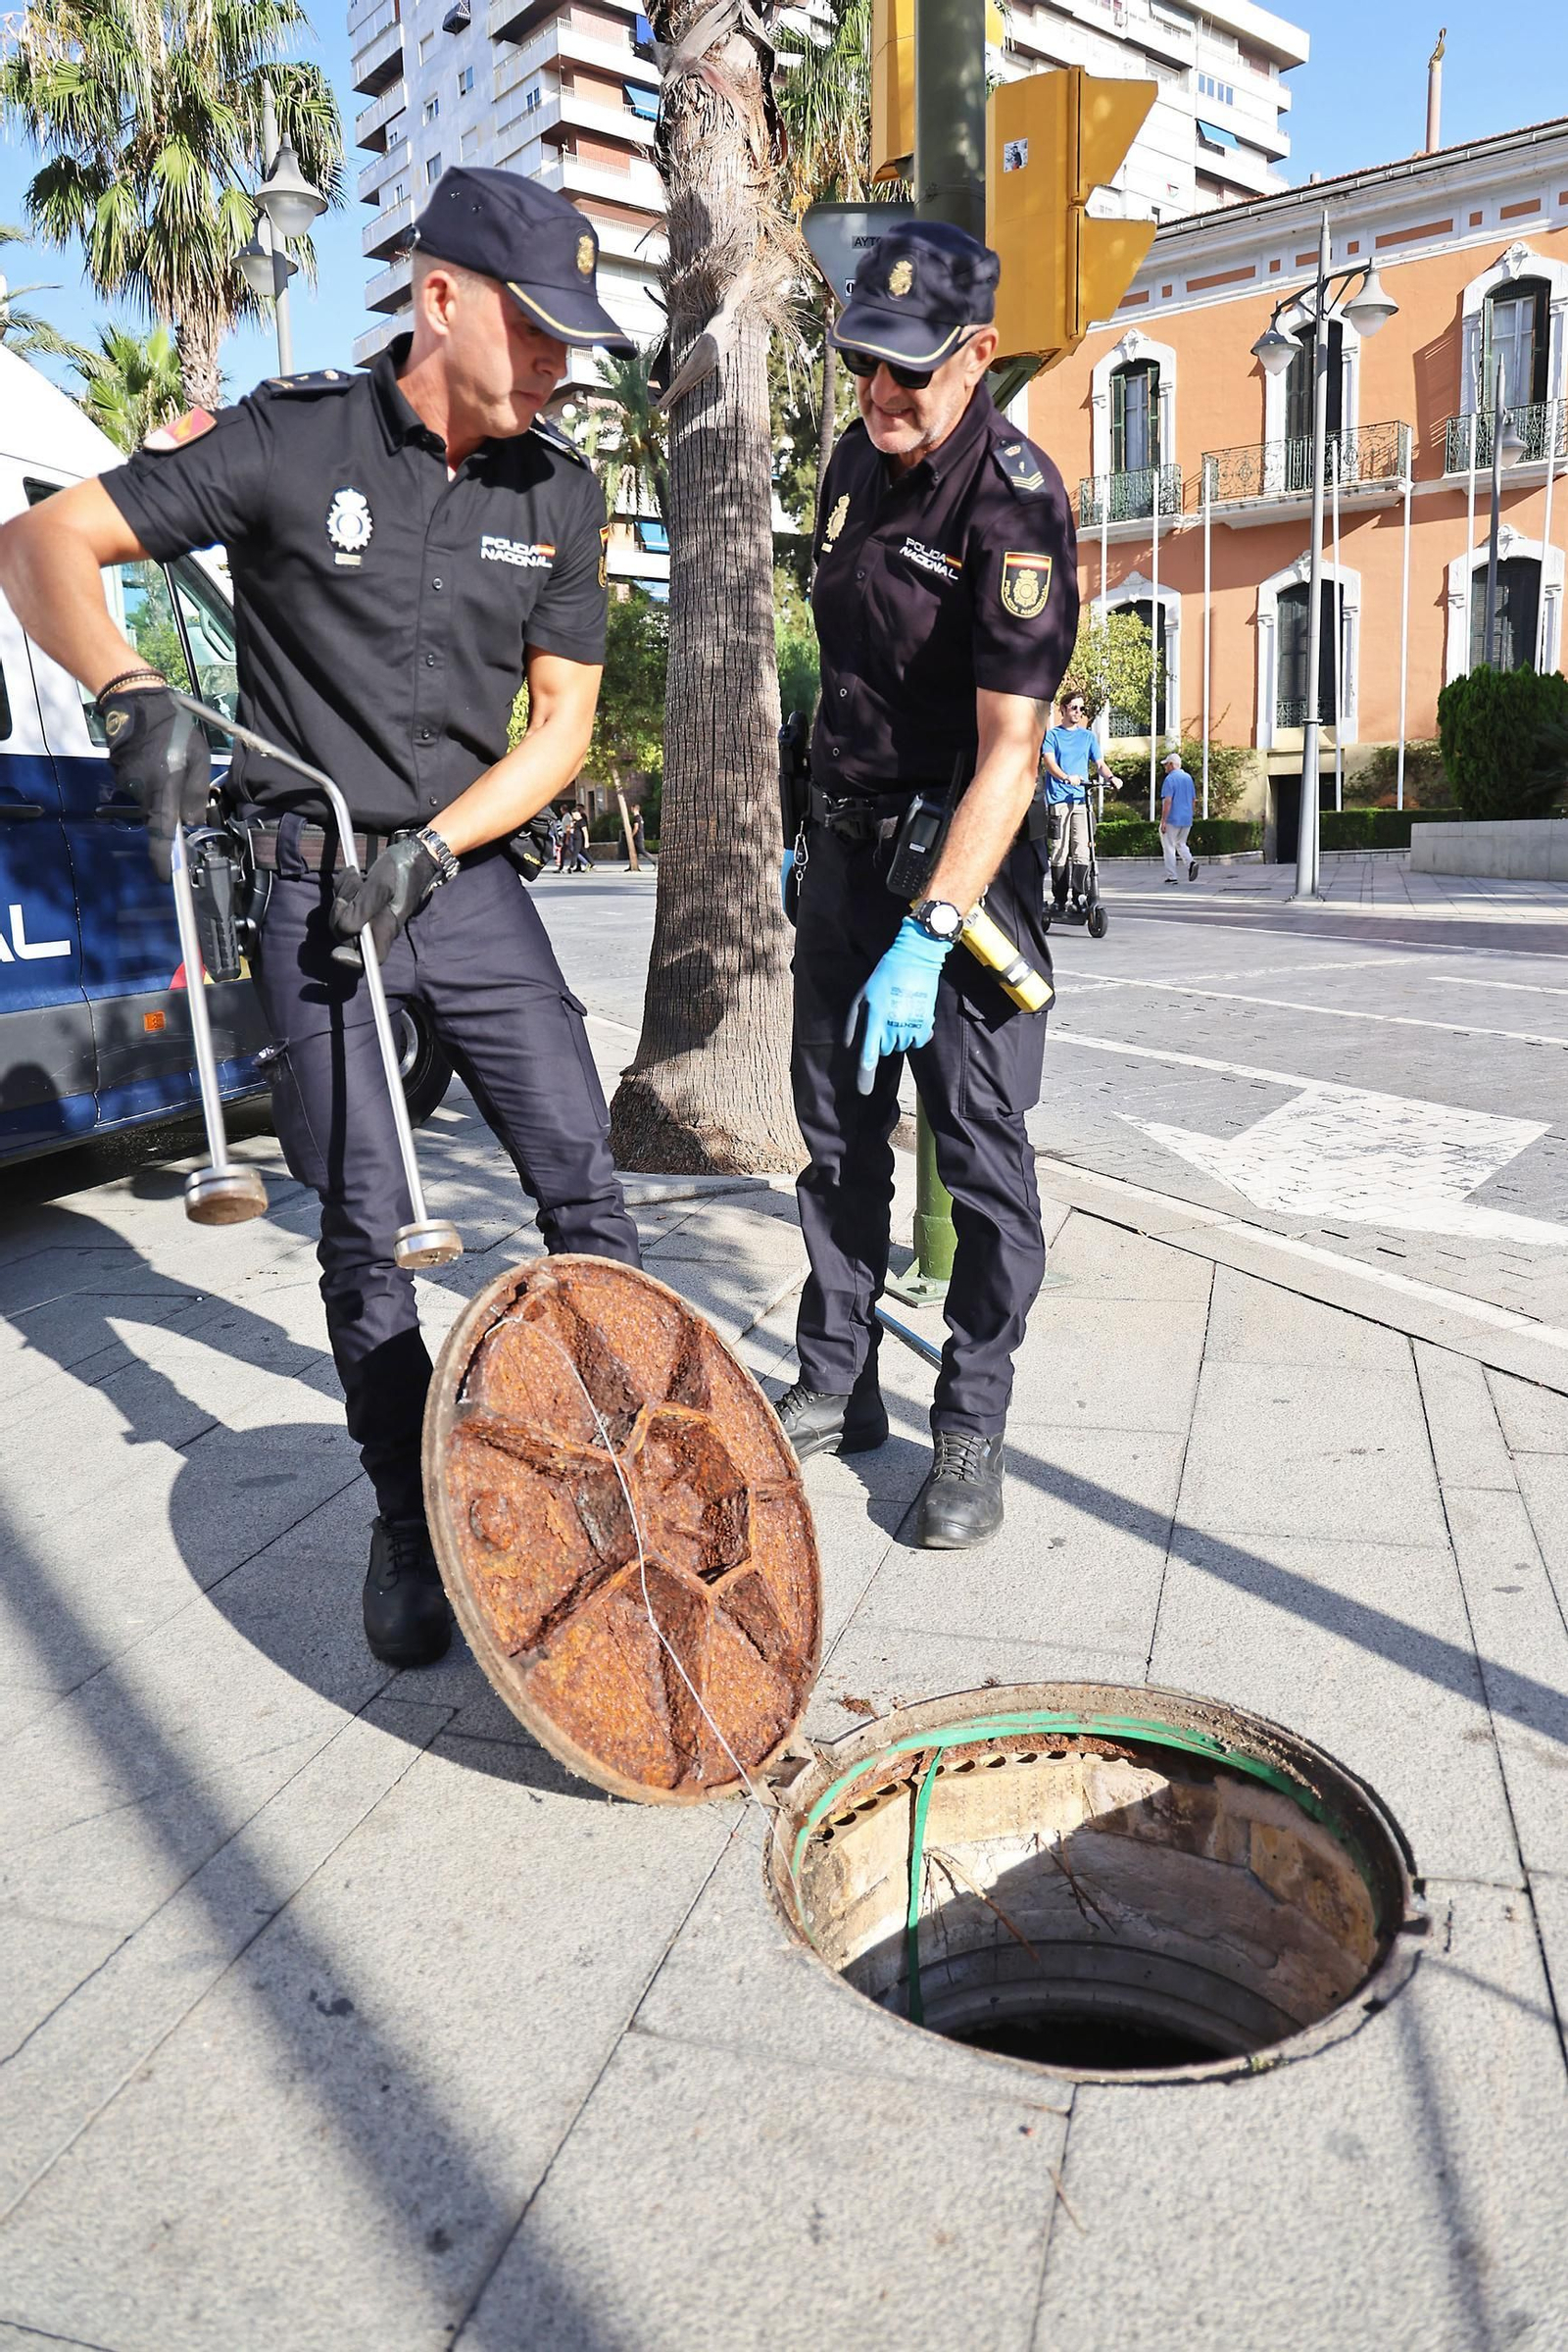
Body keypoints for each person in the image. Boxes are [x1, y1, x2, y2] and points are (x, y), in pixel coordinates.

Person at [0, 167, 643, 1669]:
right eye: (538, 331)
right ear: (441, 299)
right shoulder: (292, 443)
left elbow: (558, 730)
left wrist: (441, 847)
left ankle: (621, 1469)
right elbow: (42, 549)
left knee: (582, 1182)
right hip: (309, 889)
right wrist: (130, 689)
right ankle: (408, 1525)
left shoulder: (562, 492)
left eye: (573, 341)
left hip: (467, 886)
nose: (559, 367)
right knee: (362, 1234)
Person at [775, 220, 1077, 1547]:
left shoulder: (1014, 501)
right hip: (845, 859)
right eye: (864, 368)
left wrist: (933, 930)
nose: (882, 397)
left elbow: (1013, 750)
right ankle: (838, 1381)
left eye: (912, 371)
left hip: (964, 871)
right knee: (838, 1141)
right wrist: (809, 833)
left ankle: (972, 1422)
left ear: (982, 354)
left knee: (982, 1159)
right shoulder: (853, 460)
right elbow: (841, 673)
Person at [1039, 683, 1114, 916]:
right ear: (1063, 709)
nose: (1078, 712)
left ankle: (1079, 895)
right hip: (1059, 800)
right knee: (1060, 850)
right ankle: (1060, 899)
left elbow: (1099, 764)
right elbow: (1049, 763)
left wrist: (1111, 777)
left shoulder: (1088, 737)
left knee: (1082, 849)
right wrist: (1065, 777)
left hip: (1081, 800)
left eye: (1081, 708)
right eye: (1074, 708)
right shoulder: (1053, 736)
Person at [1159, 749, 1200, 884]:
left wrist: (1163, 820)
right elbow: (1193, 800)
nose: (1165, 767)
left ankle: (1172, 876)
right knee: (1181, 843)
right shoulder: (1188, 778)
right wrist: (1190, 815)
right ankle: (1191, 863)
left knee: (1169, 846)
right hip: (1186, 818)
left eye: (1166, 764)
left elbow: (1168, 800)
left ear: (1171, 764)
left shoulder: (1170, 779)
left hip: (1172, 818)